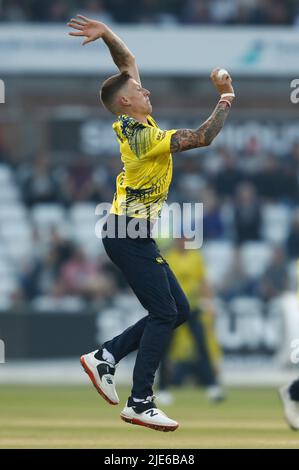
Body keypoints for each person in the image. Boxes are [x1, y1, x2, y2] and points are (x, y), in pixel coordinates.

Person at [67, 14, 235, 432]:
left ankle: (106, 356)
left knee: (177, 310)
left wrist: (107, 32)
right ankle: (140, 399)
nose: (146, 89)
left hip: (131, 233)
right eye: (139, 90)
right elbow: (202, 138)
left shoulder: (139, 120)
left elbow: (127, 62)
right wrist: (226, 98)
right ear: (126, 101)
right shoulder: (143, 137)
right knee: (164, 313)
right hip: (127, 233)